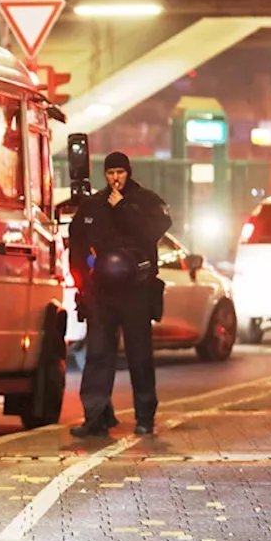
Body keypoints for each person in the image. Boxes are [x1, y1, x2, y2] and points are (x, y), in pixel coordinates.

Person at [68, 151, 172, 438]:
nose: (116, 179)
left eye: (121, 173)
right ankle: (95, 417)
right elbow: (76, 241)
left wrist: (125, 207)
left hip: (136, 290)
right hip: (102, 292)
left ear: (129, 173)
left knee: (139, 355)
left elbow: (155, 229)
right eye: (111, 173)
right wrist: (83, 283)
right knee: (98, 355)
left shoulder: (144, 201)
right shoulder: (93, 206)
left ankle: (145, 418)